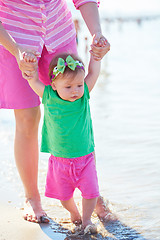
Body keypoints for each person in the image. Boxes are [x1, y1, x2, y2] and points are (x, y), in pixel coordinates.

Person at [0, 0, 110, 223]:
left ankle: (92, 192)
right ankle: (32, 197)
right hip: (13, 37)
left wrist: (97, 33)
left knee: (76, 109)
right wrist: (16, 49)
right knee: (28, 117)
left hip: (58, 31)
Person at [23, 51, 101, 234]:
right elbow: (33, 81)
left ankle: (87, 219)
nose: (75, 90)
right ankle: (74, 213)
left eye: (79, 85)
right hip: (60, 161)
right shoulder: (48, 95)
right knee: (64, 197)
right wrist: (30, 68)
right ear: (54, 85)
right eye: (68, 87)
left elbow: (93, 73)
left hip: (85, 158)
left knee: (91, 193)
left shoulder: (84, 96)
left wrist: (96, 58)